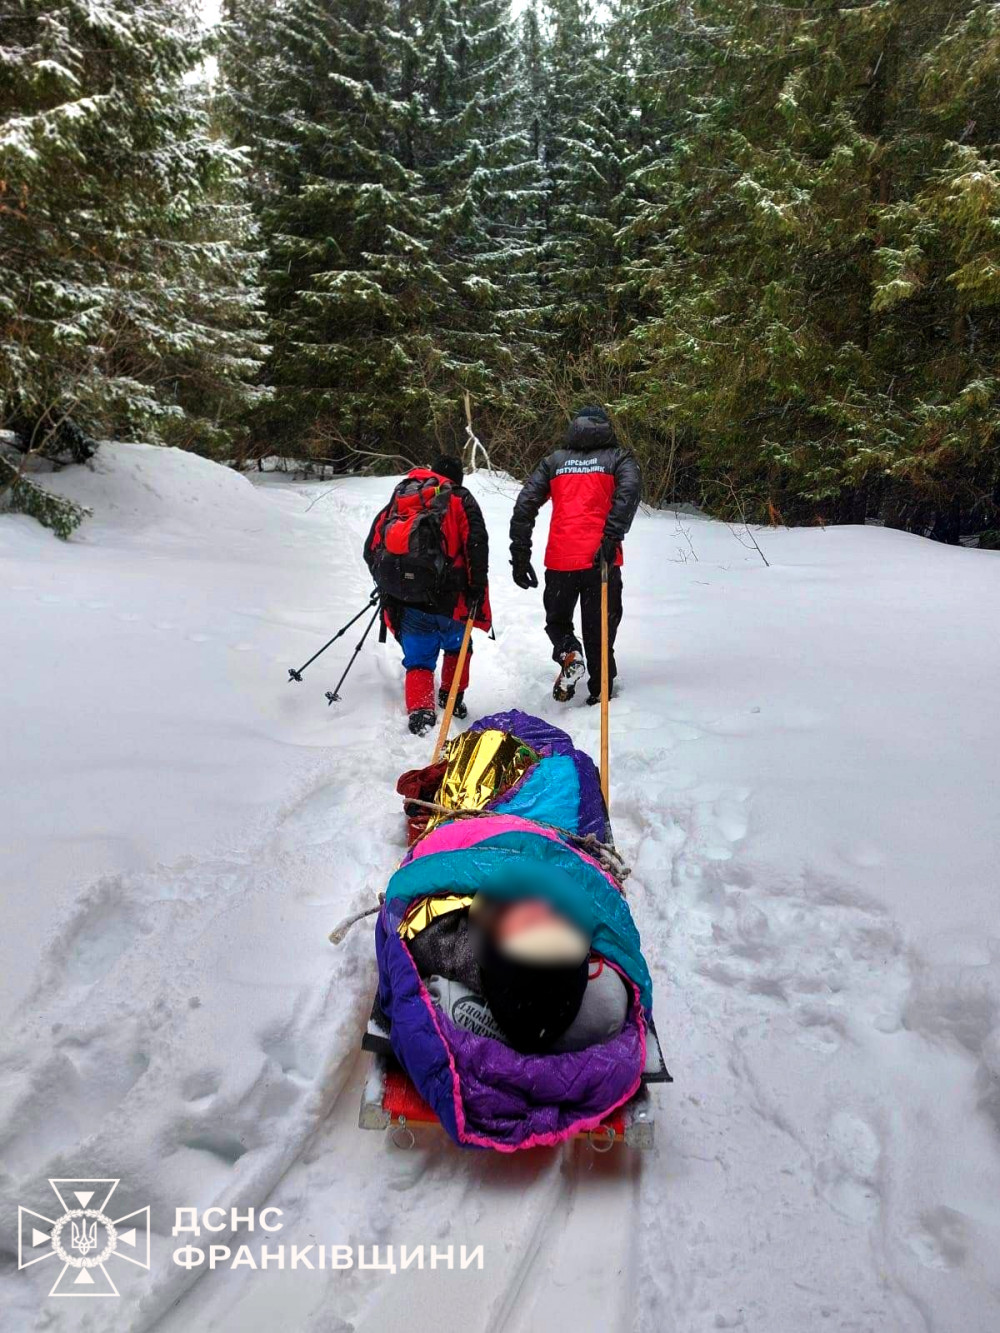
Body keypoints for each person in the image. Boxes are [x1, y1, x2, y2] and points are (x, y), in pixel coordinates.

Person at [509, 406, 641, 704]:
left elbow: (525, 504)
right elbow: (629, 492)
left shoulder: (555, 462)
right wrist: (612, 536)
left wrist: (520, 551)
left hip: (561, 560)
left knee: (557, 622)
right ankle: (601, 691)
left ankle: (569, 652)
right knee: (600, 629)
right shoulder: (619, 458)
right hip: (601, 560)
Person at [364, 455, 490, 736]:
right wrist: (476, 590)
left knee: (419, 659)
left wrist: (392, 584)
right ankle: (451, 698)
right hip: (451, 599)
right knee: (458, 648)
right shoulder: (460, 498)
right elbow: (477, 546)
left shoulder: (404, 497)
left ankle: (421, 711)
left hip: (409, 599)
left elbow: (371, 547)